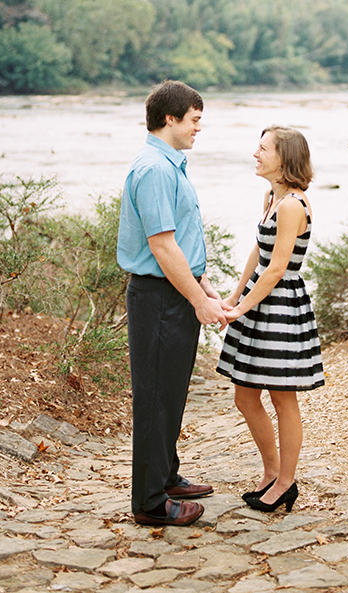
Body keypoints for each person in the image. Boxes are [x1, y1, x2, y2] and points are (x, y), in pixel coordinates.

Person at [117, 80, 228, 527]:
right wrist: (199, 300)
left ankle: (166, 476)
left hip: (174, 292)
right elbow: (162, 248)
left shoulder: (170, 165)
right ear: (171, 118)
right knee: (154, 397)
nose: (199, 128)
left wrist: (203, 282)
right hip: (158, 297)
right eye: (195, 119)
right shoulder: (155, 170)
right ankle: (149, 502)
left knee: (170, 391)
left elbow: (179, 239)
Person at [216, 125, 325, 513]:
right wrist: (234, 296)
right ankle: (271, 472)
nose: (255, 154)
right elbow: (259, 252)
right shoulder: (272, 197)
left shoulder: (295, 205)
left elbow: (278, 268)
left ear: (284, 158)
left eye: (263, 149)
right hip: (259, 300)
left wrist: (241, 308)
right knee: (245, 396)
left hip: (281, 308)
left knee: (282, 398)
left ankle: (286, 482)